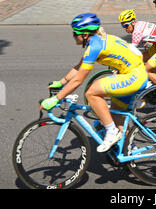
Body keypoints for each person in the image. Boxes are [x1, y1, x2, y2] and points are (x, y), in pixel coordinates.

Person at [40, 13, 148, 153]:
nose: (73, 36)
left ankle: (111, 132)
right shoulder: (96, 41)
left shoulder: (95, 47)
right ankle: (129, 149)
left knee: (91, 92)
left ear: (85, 35)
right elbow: (79, 67)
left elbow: (79, 80)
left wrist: (56, 98)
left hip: (134, 76)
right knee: (116, 115)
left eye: (75, 33)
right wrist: (61, 83)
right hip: (132, 74)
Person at [118, 9, 156, 84]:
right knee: (141, 60)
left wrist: (119, 61)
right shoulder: (139, 23)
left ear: (133, 22)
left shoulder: (137, 32)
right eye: (122, 26)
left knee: (146, 69)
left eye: (126, 25)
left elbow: (131, 50)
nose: (124, 28)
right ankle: (152, 76)